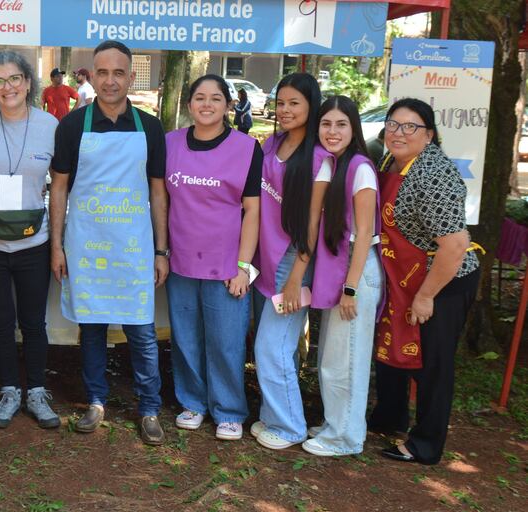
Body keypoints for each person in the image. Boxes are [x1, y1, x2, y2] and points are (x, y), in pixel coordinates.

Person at [50, 40, 169, 445]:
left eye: (119, 72)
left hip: (134, 247)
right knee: (93, 327)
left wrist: (161, 250)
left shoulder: (149, 127)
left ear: (130, 77)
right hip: (87, 245)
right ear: (91, 76)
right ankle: (96, 401)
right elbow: (60, 188)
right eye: (102, 72)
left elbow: (158, 192)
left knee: (141, 331)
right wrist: (57, 245)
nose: (110, 80)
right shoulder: (72, 125)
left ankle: (150, 408)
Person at [368, 98, 481, 465]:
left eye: (410, 126)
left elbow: (455, 245)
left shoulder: (434, 175)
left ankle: (426, 444)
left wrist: (427, 296)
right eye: (393, 124)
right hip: (403, 274)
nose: (399, 133)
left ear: (429, 135)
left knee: (432, 363)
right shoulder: (391, 161)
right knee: (391, 345)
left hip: (443, 280)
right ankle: (390, 416)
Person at [0, 51, 60, 430]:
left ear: (28, 81)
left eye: (15, 78)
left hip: (34, 242)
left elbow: (62, 185)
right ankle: (9, 390)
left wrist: (59, 241)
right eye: (0, 81)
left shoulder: (50, 124)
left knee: (35, 322)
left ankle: (36, 390)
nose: (9, 87)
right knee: (1, 322)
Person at [165, 74, 261, 441]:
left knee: (226, 340)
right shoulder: (170, 143)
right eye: (200, 97)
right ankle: (193, 402)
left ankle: (229, 410)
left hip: (226, 265)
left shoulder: (246, 148)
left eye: (216, 98)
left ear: (228, 105)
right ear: (189, 104)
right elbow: (162, 200)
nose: (207, 104)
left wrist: (243, 266)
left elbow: (252, 211)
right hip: (182, 260)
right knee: (186, 337)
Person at [250, 73, 333, 450]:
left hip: (293, 260)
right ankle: (272, 416)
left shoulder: (318, 158)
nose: (284, 110)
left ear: (311, 106)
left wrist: (296, 276)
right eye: (280, 102)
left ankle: (289, 427)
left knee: (274, 344)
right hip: (264, 257)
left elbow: (312, 226)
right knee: (270, 343)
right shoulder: (272, 143)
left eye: (293, 103)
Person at [304, 96, 383, 457]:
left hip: (356, 268)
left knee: (347, 358)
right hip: (339, 265)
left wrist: (350, 288)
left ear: (354, 129)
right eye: (326, 124)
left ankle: (347, 438)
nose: (332, 132)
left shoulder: (360, 168)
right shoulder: (332, 164)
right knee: (331, 358)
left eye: (340, 125)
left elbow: (365, 233)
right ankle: (336, 425)